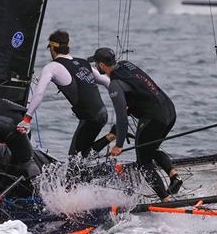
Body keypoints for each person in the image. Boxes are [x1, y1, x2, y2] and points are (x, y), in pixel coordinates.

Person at [90, 47, 183, 202]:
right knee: (150, 148)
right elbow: (140, 88)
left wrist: (118, 145)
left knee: (143, 162)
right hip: (169, 110)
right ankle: (174, 176)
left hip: (153, 118)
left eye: (95, 63)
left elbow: (121, 118)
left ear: (101, 65)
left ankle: (166, 200)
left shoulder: (114, 85)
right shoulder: (127, 64)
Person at [17, 30, 109, 157]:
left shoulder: (52, 67)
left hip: (90, 118)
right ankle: (110, 138)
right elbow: (107, 82)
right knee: (82, 155)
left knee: (74, 159)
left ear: (52, 48)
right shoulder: (83, 62)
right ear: (67, 47)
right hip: (103, 113)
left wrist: (27, 119)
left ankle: (111, 137)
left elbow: (39, 93)